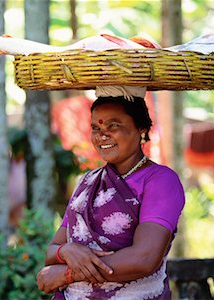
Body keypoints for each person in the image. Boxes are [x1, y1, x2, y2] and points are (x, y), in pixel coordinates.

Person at [36, 86, 185, 299]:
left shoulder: (160, 180)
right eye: (96, 127)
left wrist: (68, 274)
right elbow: (52, 252)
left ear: (141, 128)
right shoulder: (87, 182)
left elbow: (144, 259)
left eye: (113, 125)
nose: (102, 135)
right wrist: (66, 251)